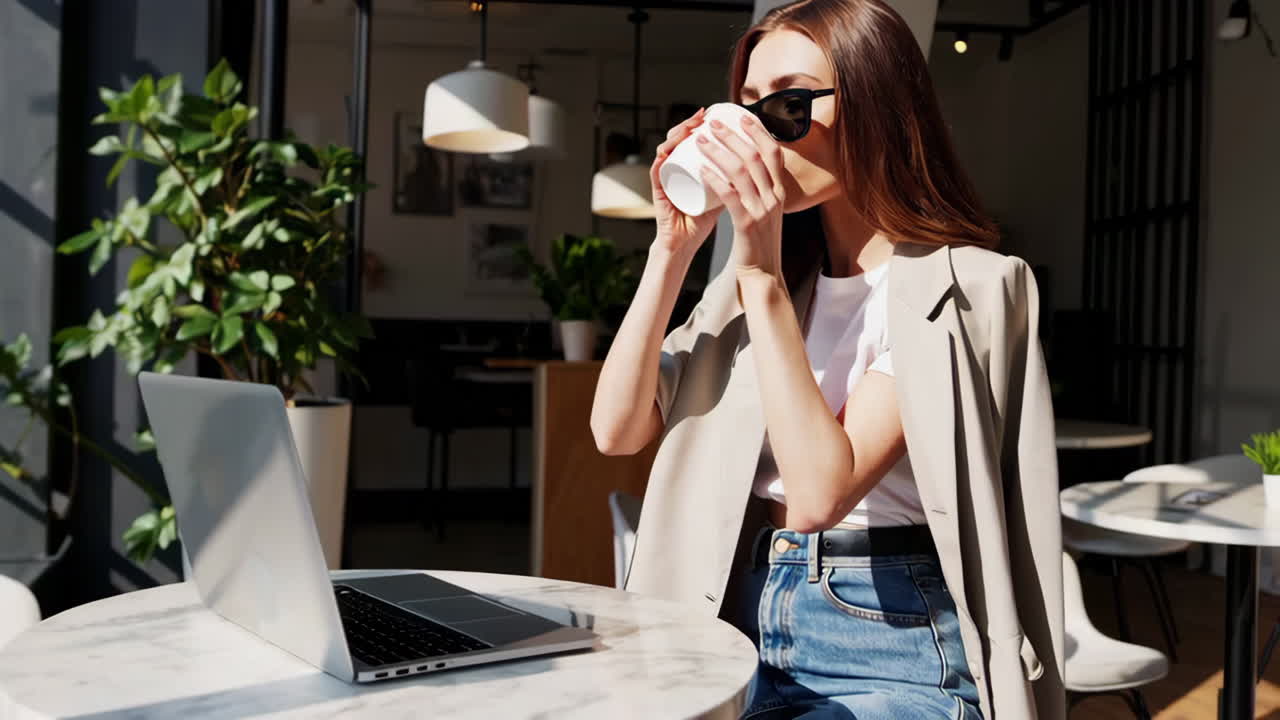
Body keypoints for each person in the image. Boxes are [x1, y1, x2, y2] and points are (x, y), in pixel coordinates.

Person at [589, 0, 1064, 718]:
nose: (754, 134)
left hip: (892, 643)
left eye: (785, 105)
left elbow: (817, 494)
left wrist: (760, 275)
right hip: (737, 617)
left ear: (875, 104)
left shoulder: (962, 287)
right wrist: (672, 248)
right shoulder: (762, 288)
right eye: (745, 106)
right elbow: (616, 430)